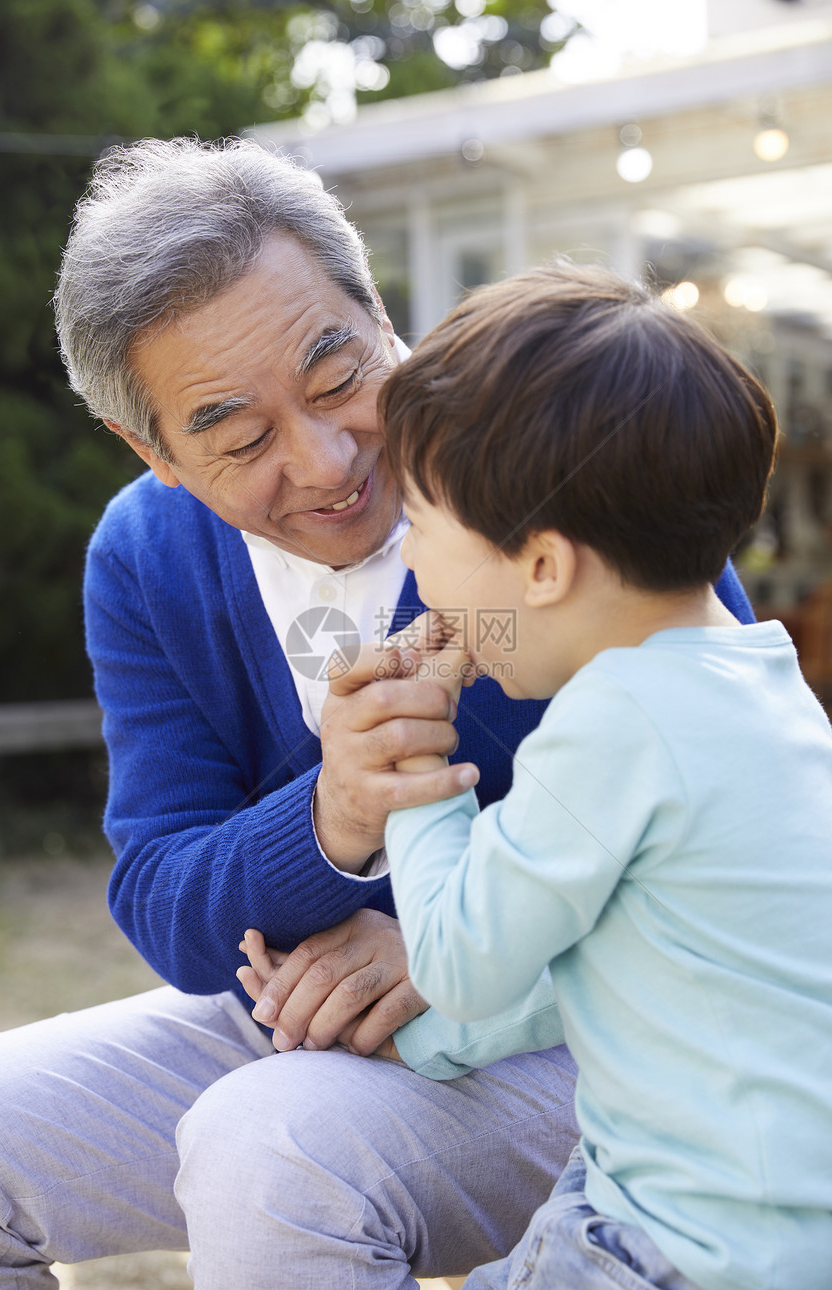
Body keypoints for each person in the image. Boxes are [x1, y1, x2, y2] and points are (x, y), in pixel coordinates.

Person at [0, 139, 751, 1290]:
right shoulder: (146, 555)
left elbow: (727, 807)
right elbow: (163, 900)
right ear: (153, 452)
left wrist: (458, 947)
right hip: (303, 1028)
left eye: (340, 379)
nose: (329, 460)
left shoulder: (547, 444)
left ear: (379, 310)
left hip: (600, 1031)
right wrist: (330, 820)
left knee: (270, 1150)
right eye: (240, 439)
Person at [368, 263, 832, 1289]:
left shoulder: (610, 721)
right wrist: (426, 1041)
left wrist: (412, 756)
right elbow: (645, 961)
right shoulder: (761, 687)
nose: (411, 567)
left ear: (538, 568)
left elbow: (455, 959)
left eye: (418, 526)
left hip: (676, 1246)